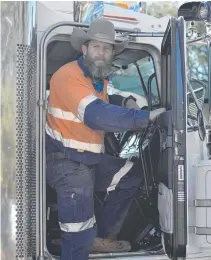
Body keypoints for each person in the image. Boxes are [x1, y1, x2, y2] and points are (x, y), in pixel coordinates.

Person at [45, 19, 165, 260]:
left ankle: (102, 239)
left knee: (130, 174)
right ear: (84, 49)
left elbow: (104, 101)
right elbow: (96, 114)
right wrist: (147, 116)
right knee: (77, 234)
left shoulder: (94, 79)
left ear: (112, 54)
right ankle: (85, 243)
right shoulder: (68, 76)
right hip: (67, 165)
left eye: (107, 48)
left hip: (87, 160)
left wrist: (126, 102)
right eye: (97, 47)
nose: (102, 52)